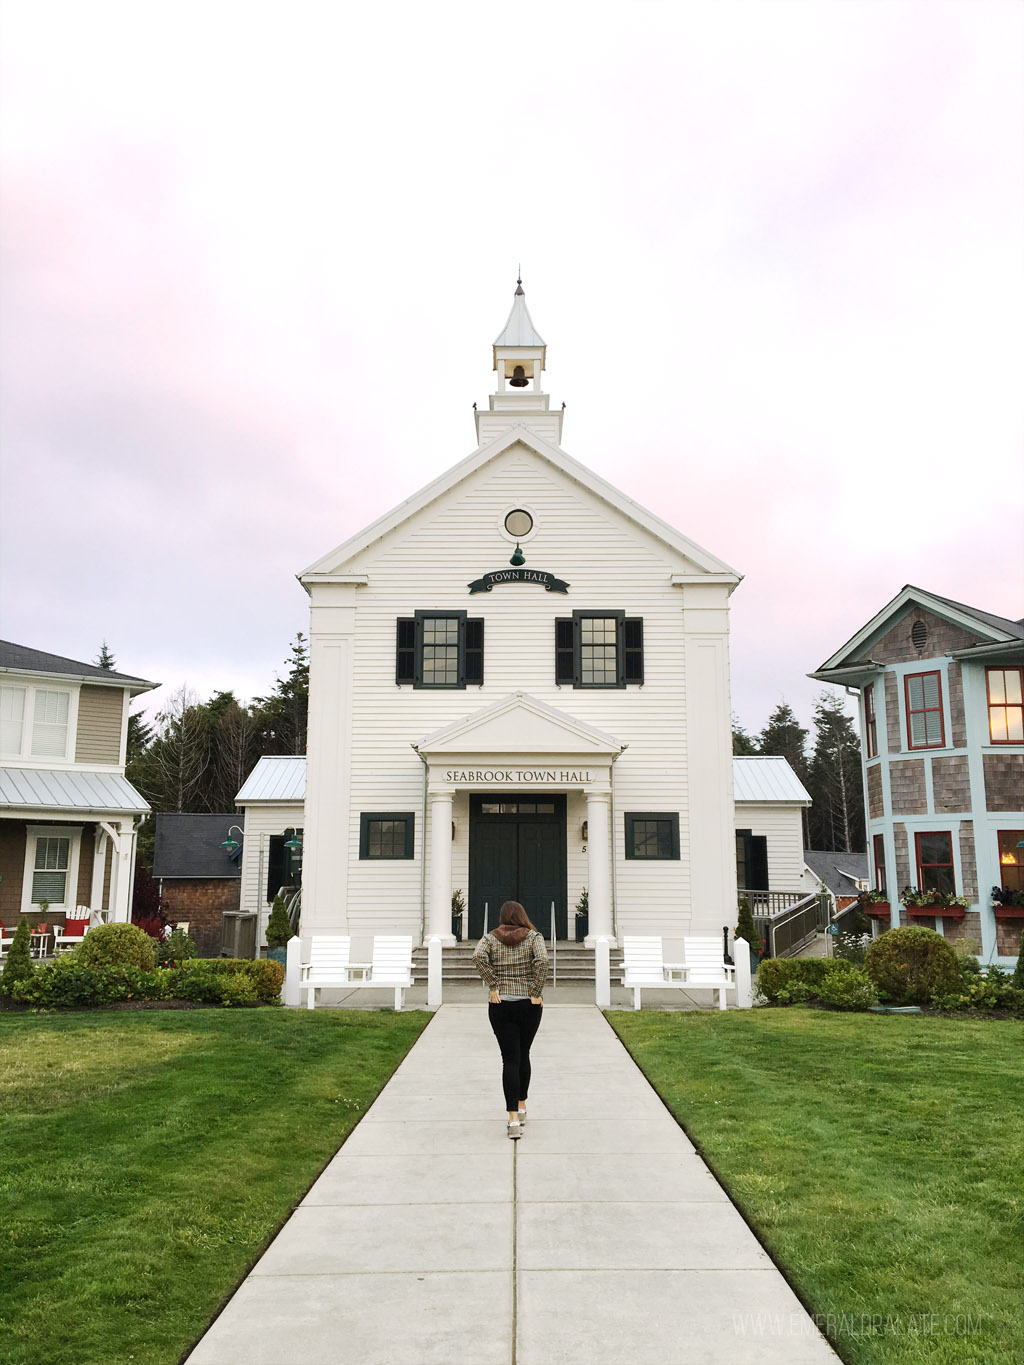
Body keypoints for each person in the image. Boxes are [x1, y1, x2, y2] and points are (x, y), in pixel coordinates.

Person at [473, 900, 548, 1139]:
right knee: (523, 1054)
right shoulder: (534, 938)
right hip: (529, 1004)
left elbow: (478, 956)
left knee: (510, 1060)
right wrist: (536, 991)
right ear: (522, 916)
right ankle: (522, 1106)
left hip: (500, 1004)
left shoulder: (490, 938)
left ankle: (513, 1120)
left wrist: (493, 983)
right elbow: (543, 961)